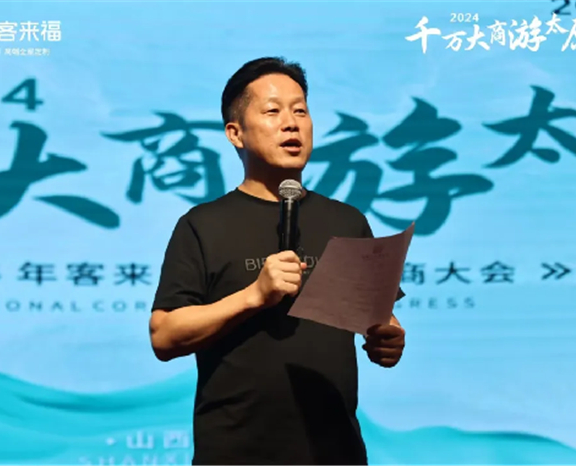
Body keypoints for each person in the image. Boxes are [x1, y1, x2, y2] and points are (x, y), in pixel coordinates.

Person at [150, 57, 406, 465]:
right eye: (273, 111)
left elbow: (379, 320)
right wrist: (254, 296)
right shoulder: (203, 225)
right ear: (235, 133)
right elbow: (164, 336)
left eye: (300, 111)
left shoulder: (346, 222)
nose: (291, 124)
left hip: (335, 452)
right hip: (234, 453)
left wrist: (388, 338)